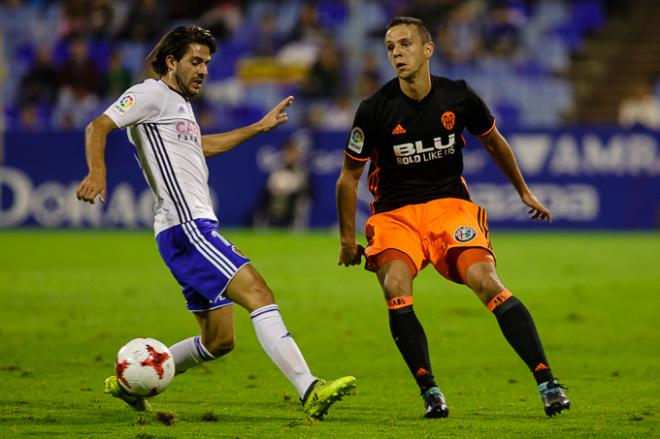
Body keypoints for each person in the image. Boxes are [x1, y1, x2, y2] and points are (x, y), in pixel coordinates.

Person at [76, 25, 355, 419]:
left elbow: (200, 146)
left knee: (219, 340)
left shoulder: (178, 105)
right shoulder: (150, 93)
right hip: (187, 227)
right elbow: (98, 126)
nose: (203, 69)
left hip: (185, 231)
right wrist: (97, 173)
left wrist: (257, 128)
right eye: (195, 61)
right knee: (259, 292)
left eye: (207, 62)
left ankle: (129, 380)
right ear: (171, 62)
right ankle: (309, 387)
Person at [336, 17, 569, 419]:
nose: (396, 53)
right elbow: (348, 178)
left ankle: (548, 381)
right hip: (395, 216)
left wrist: (524, 191)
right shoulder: (373, 109)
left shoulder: (458, 96)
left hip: (450, 207)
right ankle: (430, 391)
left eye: (405, 44)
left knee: (487, 282)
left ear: (428, 49)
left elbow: (494, 143)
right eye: (391, 47)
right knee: (395, 286)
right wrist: (346, 239)